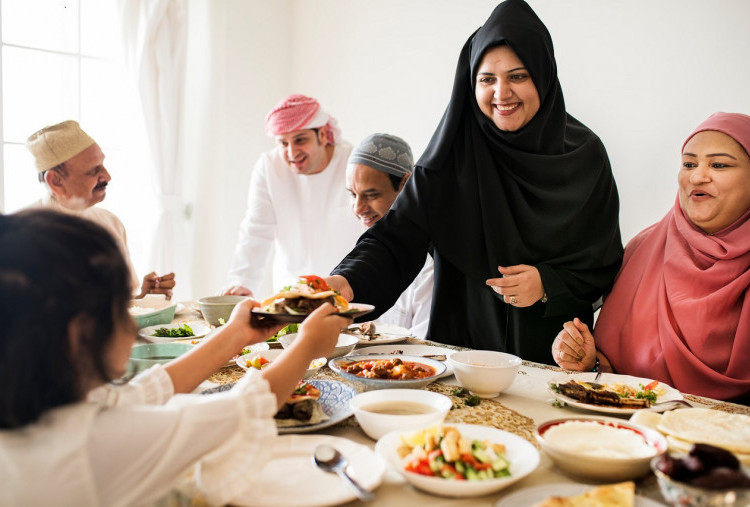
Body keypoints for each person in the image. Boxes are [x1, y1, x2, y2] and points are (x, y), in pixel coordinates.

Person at [328, 0, 623, 364]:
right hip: (462, 351)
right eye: (487, 79)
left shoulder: (585, 157)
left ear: (543, 76)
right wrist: (345, 283)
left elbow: (602, 260)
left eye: (518, 76)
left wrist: (547, 284)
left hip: (551, 353)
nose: (502, 93)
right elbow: (395, 240)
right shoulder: (449, 157)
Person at [0, 209, 350, 505]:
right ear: (81, 334)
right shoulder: (95, 447)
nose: (132, 319)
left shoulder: (49, 407)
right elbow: (243, 408)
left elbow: (141, 393)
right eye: (123, 305)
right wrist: (306, 346)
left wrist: (235, 335)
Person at [552, 112, 750, 402]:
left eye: (719, 165)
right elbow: (614, 369)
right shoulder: (643, 250)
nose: (697, 176)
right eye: (689, 164)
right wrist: (586, 361)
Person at [223, 94, 364, 297]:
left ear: (323, 135)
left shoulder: (354, 164)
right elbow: (256, 230)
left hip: (348, 290)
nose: (291, 152)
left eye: (300, 140)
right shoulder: (269, 167)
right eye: (283, 143)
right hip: (291, 293)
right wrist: (242, 282)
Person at [25, 120, 176, 299]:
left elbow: (120, 304)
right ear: (55, 181)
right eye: (94, 170)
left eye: (102, 164)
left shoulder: (110, 222)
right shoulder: (23, 236)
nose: (107, 176)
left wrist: (145, 297)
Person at [346, 133, 433, 339]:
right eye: (352, 194)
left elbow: (427, 350)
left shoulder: (430, 265)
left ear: (406, 185)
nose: (359, 208)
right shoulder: (361, 249)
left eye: (372, 194)